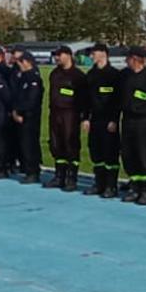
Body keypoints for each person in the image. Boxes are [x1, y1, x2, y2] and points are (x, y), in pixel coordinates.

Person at [117, 46, 146, 204]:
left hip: (144, 121)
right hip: (127, 120)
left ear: (136, 59)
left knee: (144, 155)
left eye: (128, 58)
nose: (125, 61)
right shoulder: (124, 76)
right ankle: (134, 186)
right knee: (128, 154)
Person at [81, 44, 122, 199]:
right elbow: (85, 100)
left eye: (93, 53)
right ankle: (99, 183)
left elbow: (118, 101)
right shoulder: (90, 75)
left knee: (110, 153)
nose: (91, 56)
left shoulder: (114, 75)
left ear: (103, 54)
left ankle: (111, 186)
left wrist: (114, 119)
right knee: (96, 152)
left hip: (109, 121)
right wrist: (85, 118)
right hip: (95, 120)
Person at [45, 46, 85, 191]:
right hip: (55, 113)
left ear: (68, 55)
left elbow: (83, 99)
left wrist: (83, 117)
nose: (56, 58)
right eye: (55, 55)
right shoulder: (54, 74)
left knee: (71, 144)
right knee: (56, 144)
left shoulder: (78, 76)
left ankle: (71, 178)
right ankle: (59, 176)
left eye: (59, 55)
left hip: (71, 114)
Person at [9, 49, 44, 184]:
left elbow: (32, 99)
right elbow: (17, 96)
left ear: (27, 63)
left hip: (30, 117)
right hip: (20, 115)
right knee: (24, 144)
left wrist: (21, 112)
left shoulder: (33, 78)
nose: (19, 65)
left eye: (21, 62)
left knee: (30, 144)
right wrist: (15, 111)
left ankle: (33, 171)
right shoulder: (23, 77)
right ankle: (27, 169)